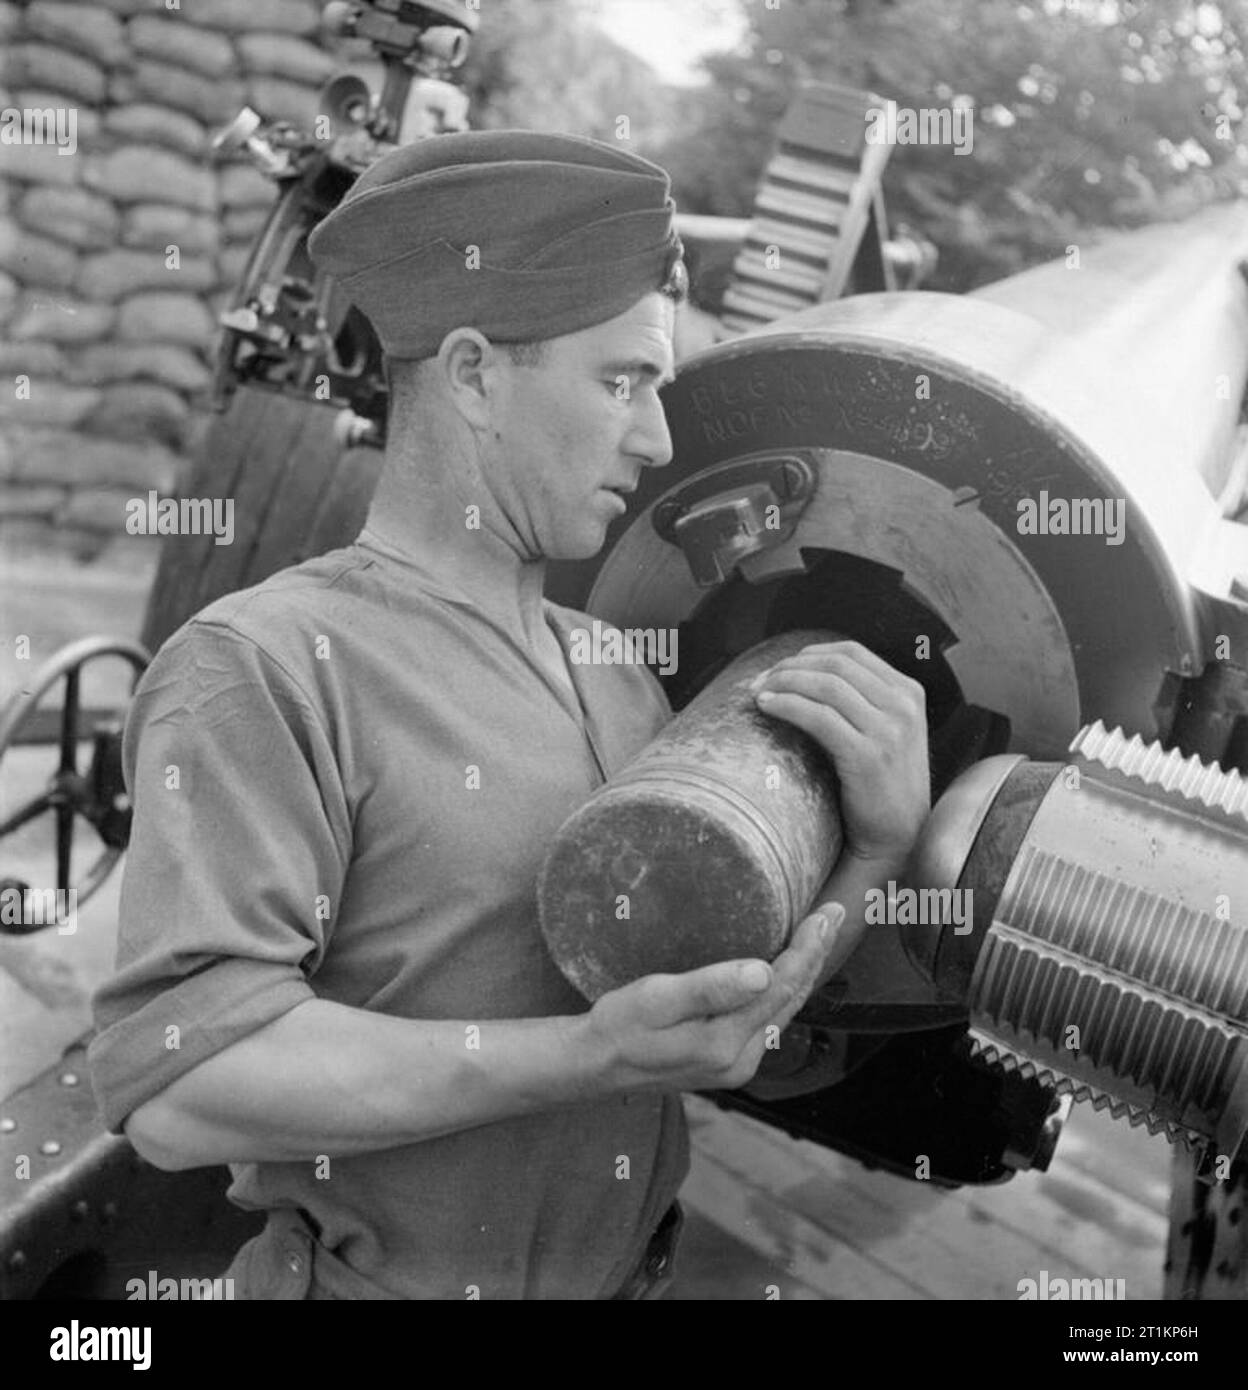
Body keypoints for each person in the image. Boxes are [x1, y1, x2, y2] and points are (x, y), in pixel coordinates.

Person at [88, 130, 930, 1300]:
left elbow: (715, 1021)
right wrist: (584, 1057)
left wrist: (877, 849)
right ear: (476, 374)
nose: (659, 439)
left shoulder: (617, 672)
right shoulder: (267, 667)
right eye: (624, 381)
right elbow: (178, 1093)